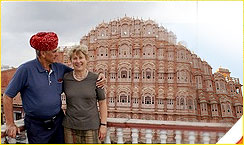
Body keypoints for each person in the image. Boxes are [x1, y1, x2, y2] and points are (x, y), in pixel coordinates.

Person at [3, 32, 105, 144]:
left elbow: (80, 72)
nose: (57, 54)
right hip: (37, 127)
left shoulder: (60, 68)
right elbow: (7, 96)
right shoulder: (25, 70)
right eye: (54, 51)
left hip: (58, 124)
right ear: (43, 53)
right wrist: (10, 123)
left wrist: (99, 76)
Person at [62, 45, 107, 144]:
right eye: (75, 58)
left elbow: (102, 103)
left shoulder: (96, 79)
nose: (78, 61)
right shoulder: (66, 78)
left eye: (81, 58)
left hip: (91, 127)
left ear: (87, 59)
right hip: (70, 127)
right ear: (71, 61)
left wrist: (103, 125)